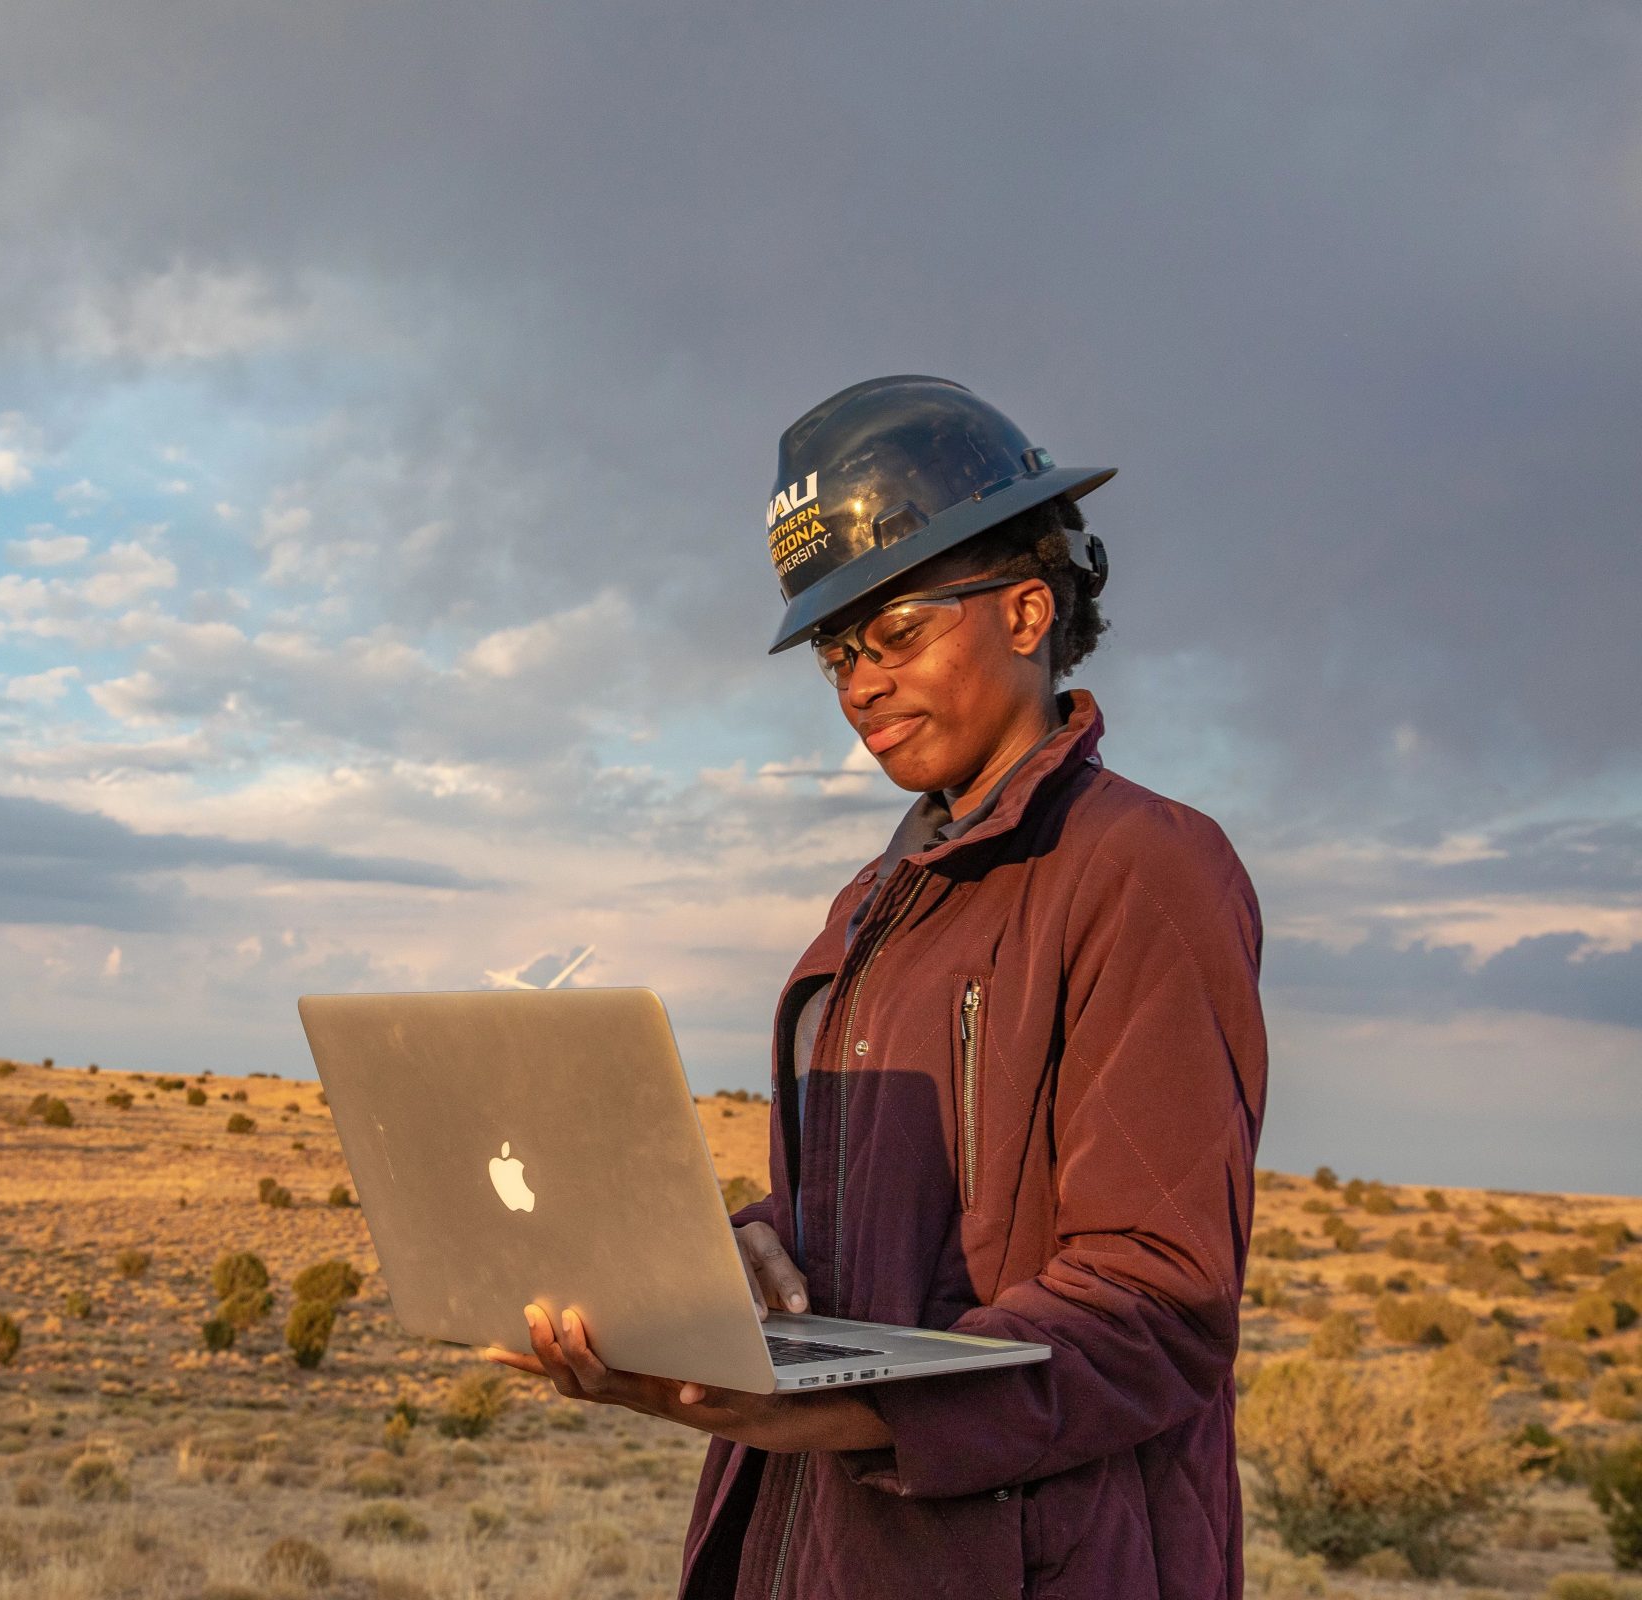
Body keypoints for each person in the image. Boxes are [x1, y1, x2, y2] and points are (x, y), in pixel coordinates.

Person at [487, 375, 1267, 1597]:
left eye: (898, 632)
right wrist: (735, 1259)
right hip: (813, 1555)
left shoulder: (1144, 868)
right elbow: (872, 1222)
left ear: (1026, 608)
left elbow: (1157, 1305)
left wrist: (829, 1410)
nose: (860, 682)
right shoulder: (869, 905)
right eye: (839, 652)